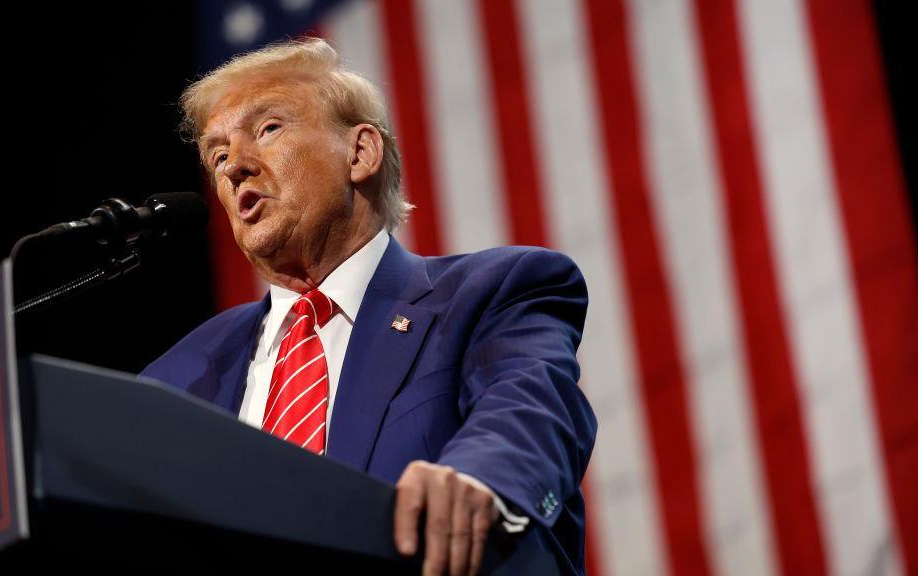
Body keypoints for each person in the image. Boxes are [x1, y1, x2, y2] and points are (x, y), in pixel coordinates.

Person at [141, 38, 596, 576]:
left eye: (267, 129)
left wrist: (482, 480)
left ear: (360, 153)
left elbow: (531, 405)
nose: (234, 166)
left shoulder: (488, 293)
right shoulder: (174, 378)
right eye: (217, 155)